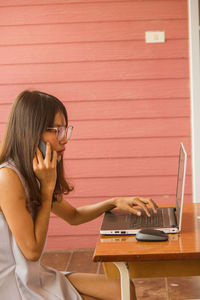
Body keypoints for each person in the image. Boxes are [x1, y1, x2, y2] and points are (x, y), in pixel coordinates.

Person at [0, 90, 158, 300]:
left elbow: (74, 216)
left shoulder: (34, 173)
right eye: (56, 131)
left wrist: (114, 202)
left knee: (124, 289)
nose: (64, 139)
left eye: (65, 130)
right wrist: (47, 188)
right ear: (31, 131)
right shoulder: (8, 177)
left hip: (35, 276)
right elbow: (31, 251)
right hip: (13, 285)